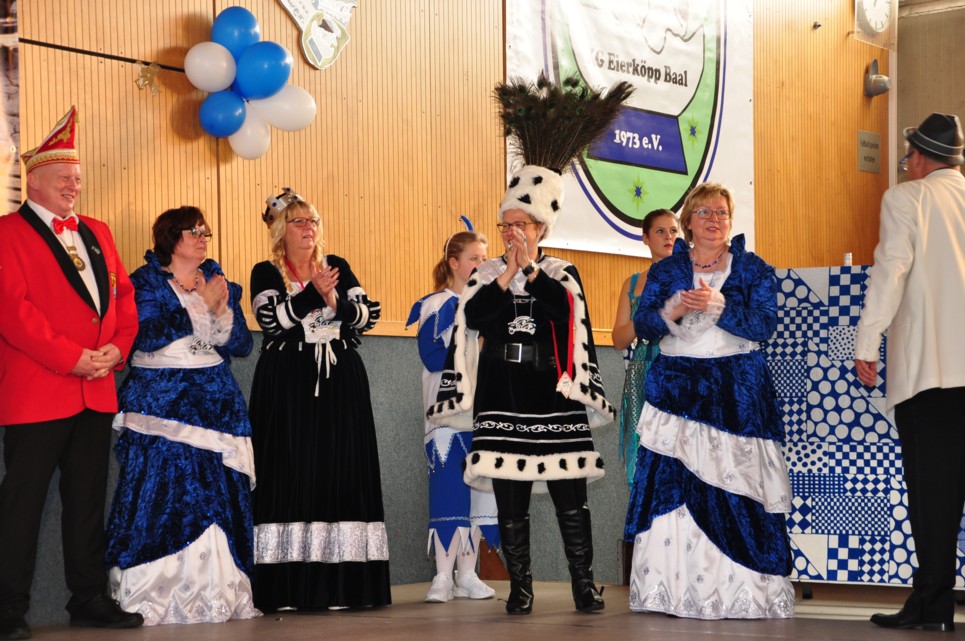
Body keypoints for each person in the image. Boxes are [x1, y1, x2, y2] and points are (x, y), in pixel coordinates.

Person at [427, 74, 629, 615]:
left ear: (539, 227)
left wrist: (530, 271)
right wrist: (505, 273)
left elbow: (565, 314)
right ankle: (521, 588)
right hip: (502, 392)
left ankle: (584, 584)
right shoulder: (484, 274)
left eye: (521, 225)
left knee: (570, 498)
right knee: (511, 500)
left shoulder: (561, 272)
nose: (512, 233)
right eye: (506, 225)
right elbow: (475, 317)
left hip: (551, 393)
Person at [0, 106, 144, 640]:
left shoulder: (99, 231)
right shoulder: (6, 233)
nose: (73, 186)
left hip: (97, 389)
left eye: (77, 178)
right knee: (22, 505)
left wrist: (115, 350)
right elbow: (13, 312)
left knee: (86, 504)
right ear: (34, 181)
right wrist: (72, 357)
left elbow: (124, 300)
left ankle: (88, 599)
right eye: (63, 176)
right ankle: (7, 607)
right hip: (37, 392)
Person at [624, 182, 794, 619]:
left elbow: (764, 325)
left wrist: (720, 307)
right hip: (676, 391)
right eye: (704, 212)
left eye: (722, 213)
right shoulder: (667, 271)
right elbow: (643, 324)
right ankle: (671, 591)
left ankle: (744, 593)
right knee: (672, 487)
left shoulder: (753, 268)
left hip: (736, 393)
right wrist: (675, 310)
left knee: (738, 487)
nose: (714, 220)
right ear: (688, 222)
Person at [104, 206, 259, 625]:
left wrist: (219, 309)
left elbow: (242, 345)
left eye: (205, 231)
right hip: (162, 402)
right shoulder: (146, 282)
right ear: (171, 237)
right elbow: (144, 334)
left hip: (215, 402)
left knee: (215, 493)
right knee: (162, 491)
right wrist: (196, 307)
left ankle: (216, 592)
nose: (202, 237)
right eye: (194, 231)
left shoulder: (218, 281)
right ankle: (154, 592)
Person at [248, 188, 390, 611]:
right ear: (281, 230)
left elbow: (367, 316)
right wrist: (313, 294)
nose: (308, 228)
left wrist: (335, 300)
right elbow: (273, 322)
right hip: (288, 385)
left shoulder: (336, 265)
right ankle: (287, 587)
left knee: (340, 472)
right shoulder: (265, 271)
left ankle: (343, 585)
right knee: (290, 471)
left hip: (340, 381)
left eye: (313, 221)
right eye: (298, 221)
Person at [855, 113, 965, 633]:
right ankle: (930, 604)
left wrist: (866, 341)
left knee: (933, 496)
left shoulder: (908, 198)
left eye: (907, 159)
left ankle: (933, 606)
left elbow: (890, 272)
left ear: (919, 158)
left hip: (932, 372)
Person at [407, 228, 499, 603]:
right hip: (447, 415)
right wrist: (474, 344)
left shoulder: (489, 306)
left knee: (479, 493)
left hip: (483, 414)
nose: (481, 265)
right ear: (453, 263)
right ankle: (443, 576)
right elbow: (433, 357)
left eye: (484, 258)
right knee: (448, 490)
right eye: (474, 258)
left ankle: (468, 574)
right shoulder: (436, 304)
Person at [612, 209, 679, 486]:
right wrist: (644, 319)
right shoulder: (633, 282)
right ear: (645, 238)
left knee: (677, 452)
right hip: (642, 371)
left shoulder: (688, 277)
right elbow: (618, 339)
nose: (668, 237)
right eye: (660, 231)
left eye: (673, 231)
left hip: (678, 369)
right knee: (641, 456)